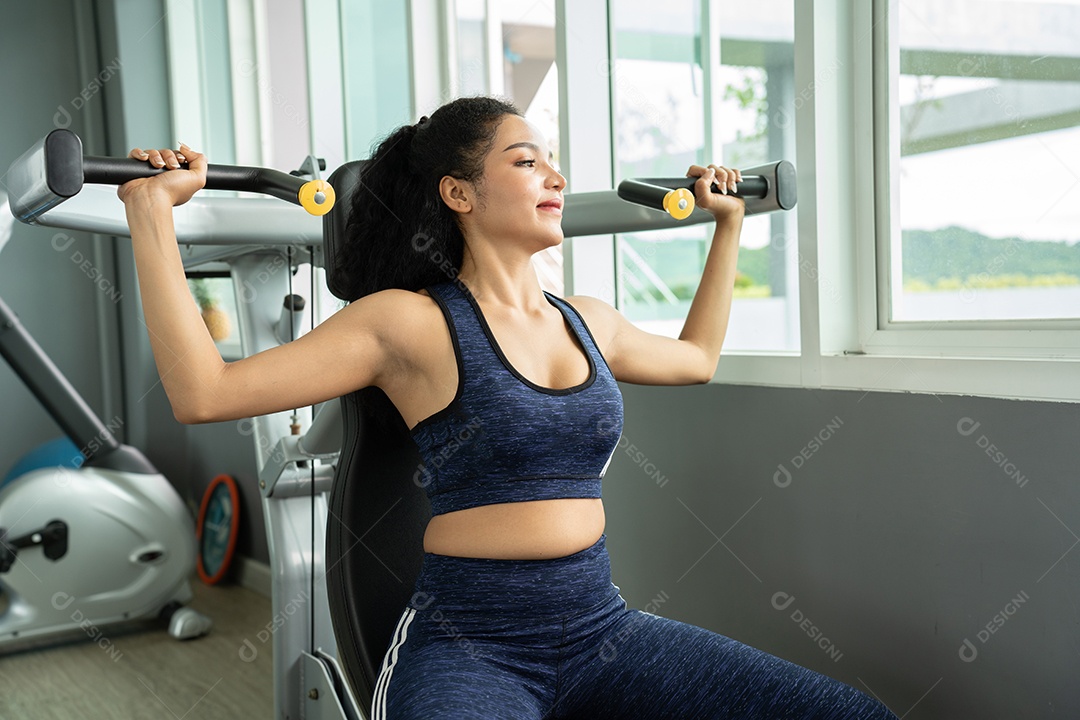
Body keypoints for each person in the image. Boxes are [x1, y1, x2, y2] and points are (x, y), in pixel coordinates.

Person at [119, 96, 897, 719]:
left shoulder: (586, 319)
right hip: (471, 646)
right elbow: (204, 393)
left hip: (603, 628)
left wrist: (726, 229)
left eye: (552, 161)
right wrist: (153, 215)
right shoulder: (410, 322)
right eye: (527, 162)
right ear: (458, 193)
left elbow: (695, 360)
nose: (554, 177)